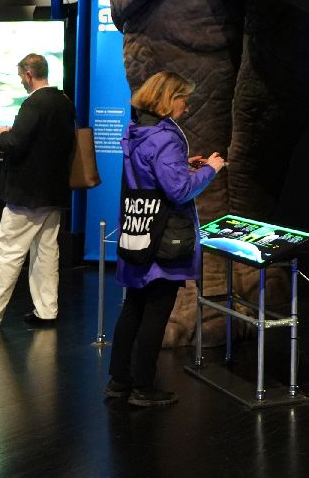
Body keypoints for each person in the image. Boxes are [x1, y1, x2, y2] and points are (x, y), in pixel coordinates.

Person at [106, 71, 224, 408]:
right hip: (164, 238)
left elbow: (149, 173)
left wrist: (181, 164)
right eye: (184, 98)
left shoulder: (137, 130)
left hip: (137, 232)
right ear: (169, 99)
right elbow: (179, 190)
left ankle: (119, 382)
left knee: (133, 306)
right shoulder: (166, 138)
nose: (187, 106)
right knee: (156, 312)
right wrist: (211, 169)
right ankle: (144, 387)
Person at [0, 53, 76, 334]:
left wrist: (1, 134)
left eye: (21, 76)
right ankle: (47, 310)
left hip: (26, 194)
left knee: (8, 253)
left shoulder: (33, 104)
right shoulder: (64, 102)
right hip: (53, 192)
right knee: (46, 253)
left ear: (29, 75)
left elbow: (15, 144)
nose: (21, 81)